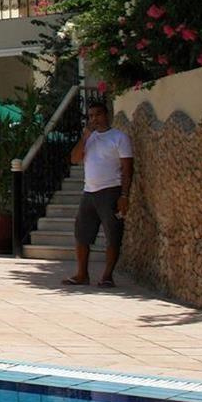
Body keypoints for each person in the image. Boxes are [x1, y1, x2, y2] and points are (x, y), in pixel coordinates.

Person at [66, 98, 133, 287]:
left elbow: (128, 169)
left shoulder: (119, 138)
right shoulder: (89, 138)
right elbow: (74, 158)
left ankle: (107, 276)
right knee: (81, 234)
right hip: (89, 192)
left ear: (106, 115)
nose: (94, 119)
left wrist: (124, 196)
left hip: (111, 191)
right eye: (91, 116)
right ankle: (82, 274)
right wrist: (85, 137)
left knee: (113, 235)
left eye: (98, 115)